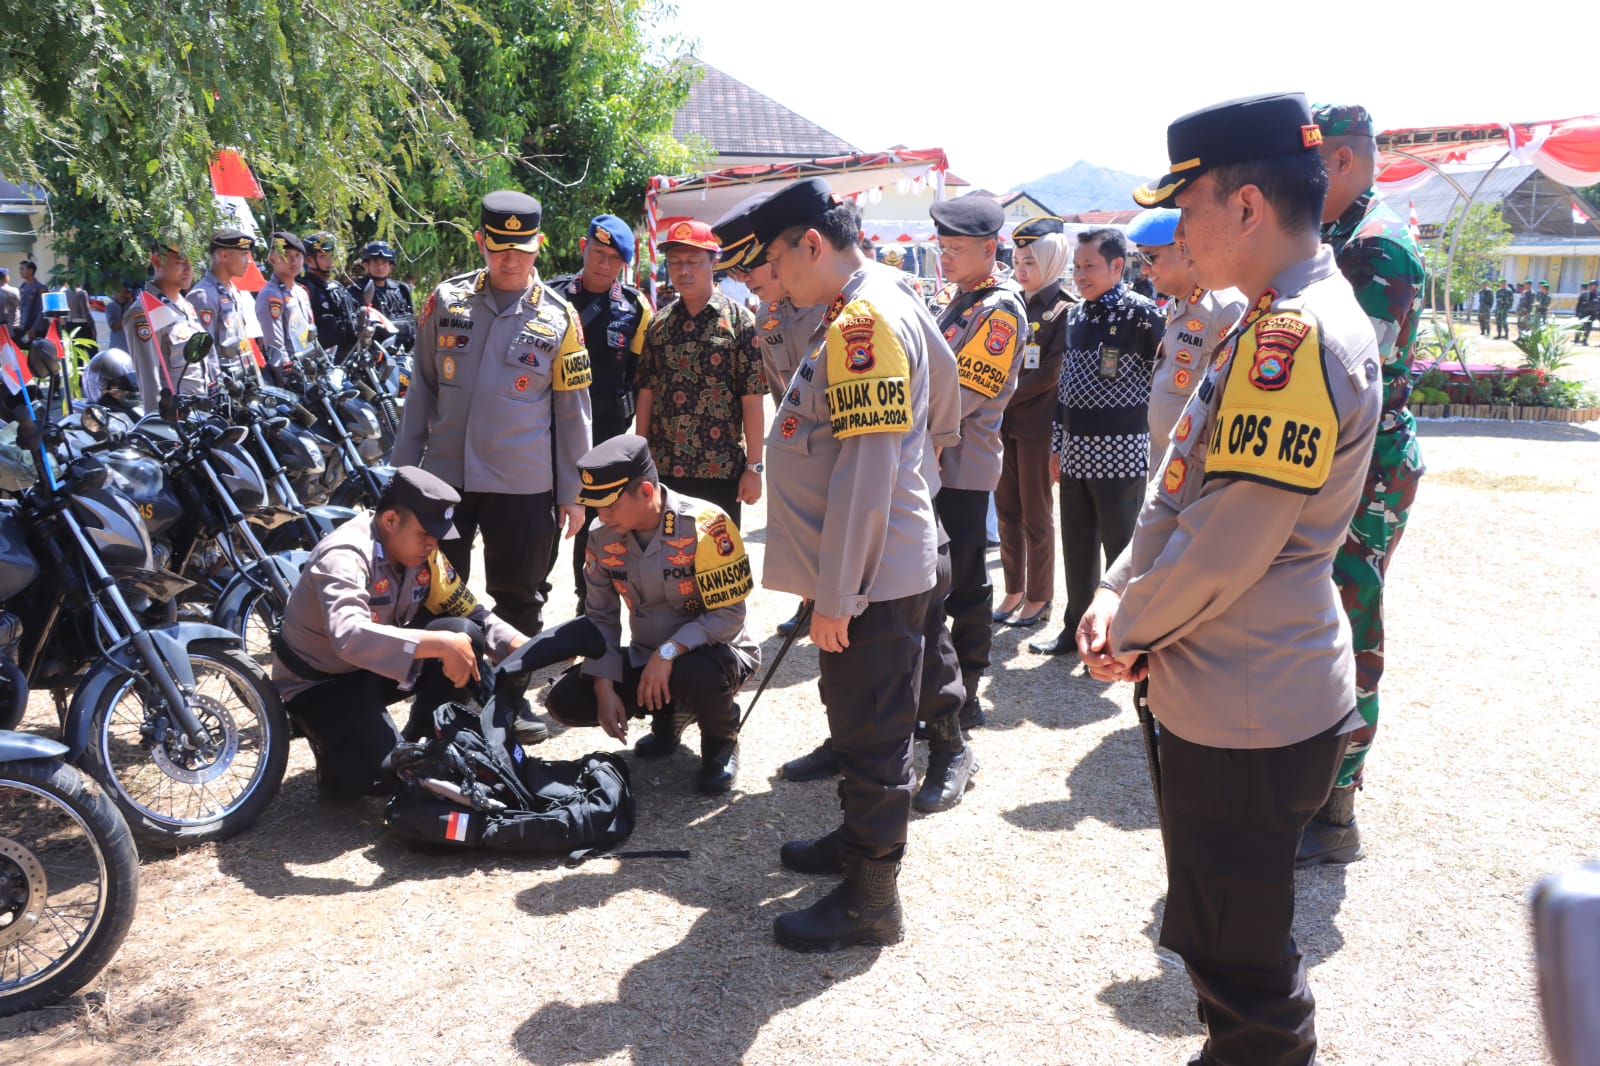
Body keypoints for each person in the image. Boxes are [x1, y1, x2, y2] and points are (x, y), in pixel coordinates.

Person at [1084, 90, 1380, 1066]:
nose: (1177, 232)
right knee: (1217, 928)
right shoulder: (1266, 321)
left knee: (1241, 957)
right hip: (1235, 683)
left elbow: (1227, 540)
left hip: (1250, 698)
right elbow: (1179, 485)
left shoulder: (1292, 336)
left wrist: (1130, 626)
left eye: (1188, 206)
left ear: (1246, 205)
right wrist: (1116, 590)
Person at [749, 177, 944, 951]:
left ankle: (872, 900)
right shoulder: (871, 301)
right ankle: (855, 844)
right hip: (866, 569)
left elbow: (868, 467)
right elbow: (943, 399)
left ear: (812, 244)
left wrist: (839, 592)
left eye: (775, 260)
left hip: (871, 579)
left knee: (875, 738)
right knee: (857, 721)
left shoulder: (864, 320)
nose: (773, 276)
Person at [1303, 103, 1429, 867]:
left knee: (1352, 623)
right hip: (1350, 461)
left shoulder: (1376, 248)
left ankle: (1337, 806)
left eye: (1308, 169)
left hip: (1369, 469)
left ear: (1341, 162)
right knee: (1323, 617)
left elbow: (1353, 379)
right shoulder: (1343, 235)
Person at [391, 190, 592, 639]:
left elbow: (572, 412)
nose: (510, 260)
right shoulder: (447, 300)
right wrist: (401, 475)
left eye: (522, 249)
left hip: (520, 483)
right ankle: (442, 678)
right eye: (499, 247)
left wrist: (574, 493)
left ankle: (510, 679)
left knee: (519, 594)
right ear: (481, 241)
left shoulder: (560, 317)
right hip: (445, 478)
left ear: (539, 244)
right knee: (433, 588)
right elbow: (421, 391)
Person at [272, 466, 528, 799]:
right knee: (377, 781)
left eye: (437, 535)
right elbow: (349, 636)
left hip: (370, 669)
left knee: (464, 632)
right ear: (390, 520)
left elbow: (471, 612)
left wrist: (520, 645)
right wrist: (440, 643)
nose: (433, 544)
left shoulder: (423, 553)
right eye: (426, 534)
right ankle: (334, 755)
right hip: (321, 685)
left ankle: (427, 737)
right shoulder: (344, 555)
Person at [544, 435, 757, 793]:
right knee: (566, 699)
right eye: (596, 507)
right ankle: (669, 715)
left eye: (610, 506)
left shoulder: (706, 525)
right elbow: (600, 617)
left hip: (715, 655)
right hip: (648, 655)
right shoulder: (601, 536)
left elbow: (729, 616)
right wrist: (603, 686)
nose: (601, 516)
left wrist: (668, 652)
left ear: (645, 492)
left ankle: (721, 739)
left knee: (695, 672)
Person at [1029, 228, 1162, 657]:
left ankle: (1120, 635)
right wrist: (1057, 444)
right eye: (1077, 267)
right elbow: (1065, 387)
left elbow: (1165, 381)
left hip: (1121, 452)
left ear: (1117, 266)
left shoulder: (1142, 314)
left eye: (1089, 266)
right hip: (1075, 451)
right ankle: (1075, 628)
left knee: (1121, 549)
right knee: (1078, 547)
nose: (1081, 275)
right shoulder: (1076, 315)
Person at [926, 195, 1028, 725]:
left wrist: (909, 426)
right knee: (932, 576)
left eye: (956, 249)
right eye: (942, 248)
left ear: (990, 249)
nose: (945, 257)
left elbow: (966, 393)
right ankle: (935, 684)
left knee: (965, 579)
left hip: (962, 463)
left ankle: (966, 690)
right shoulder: (956, 296)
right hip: (934, 458)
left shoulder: (999, 309)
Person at [713, 191, 822, 638]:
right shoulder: (767, 315)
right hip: (800, 444)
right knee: (804, 530)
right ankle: (811, 599)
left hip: (841, 440)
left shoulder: (832, 303)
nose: (743, 281)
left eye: (748, 269)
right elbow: (781, 392)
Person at [548, 215, 653, 611]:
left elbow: (640, 376)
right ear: (583, 247)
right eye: (598, 253)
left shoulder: (636, 307)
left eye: (614, 259)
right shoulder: (550, 296)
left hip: (606, 430)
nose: (604, 264)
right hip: (550, 429)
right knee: (544, 518)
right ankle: (531, 597)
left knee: (597, 520)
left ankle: (587, 603)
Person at [634, 219, 765, 526]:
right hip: (664, 468)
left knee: (718, 550)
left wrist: (754, 468)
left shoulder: (740, 322)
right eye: (675, 262)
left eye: (694, 261)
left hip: (720, 469)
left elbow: (752, 399)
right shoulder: (658, 324)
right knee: (666, 550)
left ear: (713, 262)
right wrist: (641, 459)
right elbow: (646, 394)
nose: (684, 271)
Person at [995, 217, 1072, 631]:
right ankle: (1013, 589)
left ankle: (1039, 596)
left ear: (1052, 262)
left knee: (1036, 515)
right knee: (1006, 511)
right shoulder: (1010, 303)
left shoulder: (1063, 310)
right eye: (1017, 261)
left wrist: (997, 394)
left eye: (1030, 262)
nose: (1021, 270)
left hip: (1037, 427)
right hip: (1003, 425)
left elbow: (1049, 374)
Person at [1129, 208, 1247, 473]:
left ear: (1184, 248)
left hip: (1198, 471)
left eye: (1150, 257)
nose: (1144, 270)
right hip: (1165, 462)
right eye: (1140, 259)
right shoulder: (1178, 304)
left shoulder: (1224, 309)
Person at [121, 238, 210, 410]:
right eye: (181, 261)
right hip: (176, 416)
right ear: (156, 261)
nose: (189, 268)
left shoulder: (185, 305)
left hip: (200, 411)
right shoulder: (144, 311)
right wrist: (159, 421)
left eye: (192, 260)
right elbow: (149, 380)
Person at [187, 227, 260, 386]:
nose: (248, 261)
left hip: (244, 376)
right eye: (243, 255)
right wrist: (218, 385)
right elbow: (205, 352)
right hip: (225, 383)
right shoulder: (203, 295)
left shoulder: (233, 290)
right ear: (224, 255)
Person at [256, 231, 316, 382]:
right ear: (272, 259)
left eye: (298, 255)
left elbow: (310, 334)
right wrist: (290, 379)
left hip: (310, 368)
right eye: (286, 255)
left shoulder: (301, 292)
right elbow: (275, 347)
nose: (293, 261)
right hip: (291, 376)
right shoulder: (271, 295)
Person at [300, 231, 362, 359]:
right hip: (323, 362)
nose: (330, 260)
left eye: (331, 255)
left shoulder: (338, 287)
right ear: (309, 260)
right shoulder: (304, 290)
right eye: (323, 256)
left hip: (352, 358)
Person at [348, 240, 416, 350]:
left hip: (402, 352)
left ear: (391, 266)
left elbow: (412, 325)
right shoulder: (357, 290)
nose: (380, 267)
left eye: (384, 262)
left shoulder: (402, 289)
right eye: (375, 262)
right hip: (372, 355)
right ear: (366, 264)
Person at [15, 260, 44, 342]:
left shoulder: (40, 288)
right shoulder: (22, 287)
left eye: (22, 269)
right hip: (23, 327)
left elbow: (42, 309)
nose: (20, 271)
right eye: (20, 269)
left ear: (30, 270)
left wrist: (35, 328)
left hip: (35, 328)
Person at [105, 281, 133, 351]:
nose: (120, 293)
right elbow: (113, 326)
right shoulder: (110, 307)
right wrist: (129, 321)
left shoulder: (133, 306)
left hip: (130, 345)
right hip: (116, 344)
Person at [1577, 280, 1598, 345]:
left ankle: (1584, 340)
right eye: (1592, 285)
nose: (1593, 287)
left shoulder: (1598, 294)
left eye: (1595, 285)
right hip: (1583, 312)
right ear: (1590, 286)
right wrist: (1577, 312)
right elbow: (1579, 304)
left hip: (1592, 313)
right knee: (1580, 326)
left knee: (1588, 327)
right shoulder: (1584, 294)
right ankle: (1576, 339)